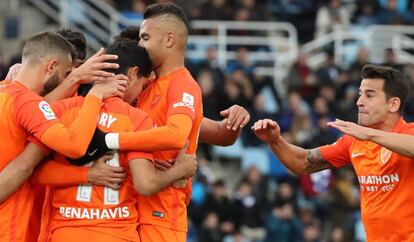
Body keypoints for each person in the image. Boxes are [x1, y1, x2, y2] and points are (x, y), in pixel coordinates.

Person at [31, 38, 197, 242]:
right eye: (143, 86)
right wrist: (180, 171)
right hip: (118, 232)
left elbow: (34, 172)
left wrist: (86, 175)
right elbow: (146, 184)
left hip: (67, 231)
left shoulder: (61, 109)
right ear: (133, 74)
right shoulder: (136, 118)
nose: (139, 96)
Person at [253, 64, 414, 242]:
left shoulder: (407, 133)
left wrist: (369, 134)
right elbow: (303, 162)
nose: (359, 101)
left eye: (369, 95)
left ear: (393, 104)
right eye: (360, 94)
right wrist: (275, 141)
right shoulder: (355, 140)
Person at [0, 31, 125, 241]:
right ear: (51, 67)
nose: (68, 79)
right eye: (66, 73)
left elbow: (39, 109)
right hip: (9, 223)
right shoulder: (27, 103)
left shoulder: (5, 91)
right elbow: (74, 146)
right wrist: (94, 96)